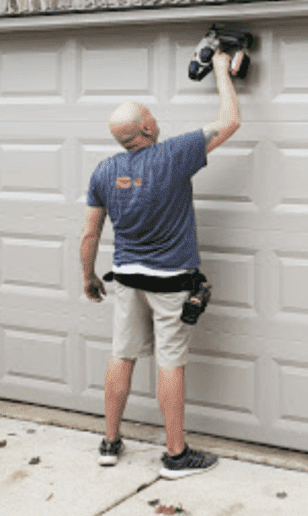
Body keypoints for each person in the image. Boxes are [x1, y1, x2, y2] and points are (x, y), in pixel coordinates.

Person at [79, 50, 241, 479]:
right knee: (170, 362)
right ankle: (175, 455)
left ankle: (110, 443)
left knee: (122, 355)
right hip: (171, 282)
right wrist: (223, 72)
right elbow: (229, 121)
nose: (155, 118)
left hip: (127, 278)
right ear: (146, 128)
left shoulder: (104, 171)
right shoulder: (173, 154)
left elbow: (89, 234)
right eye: (151, 114)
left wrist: (88, 276)